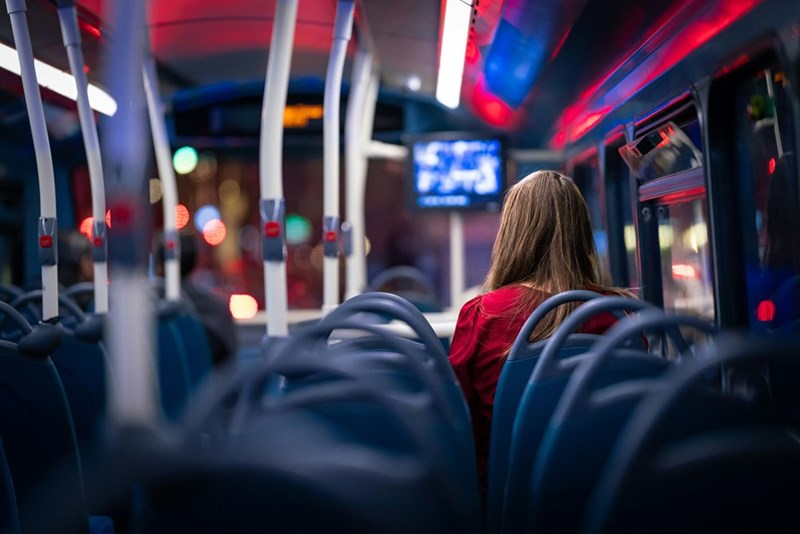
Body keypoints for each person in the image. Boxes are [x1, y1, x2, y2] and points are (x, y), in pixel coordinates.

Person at [448, 170, 634, 493]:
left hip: (505, 498)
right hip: (603, 494)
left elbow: (457, 424)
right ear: (581, 232)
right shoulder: (618, 313)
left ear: (512, 235)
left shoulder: (481, 315)